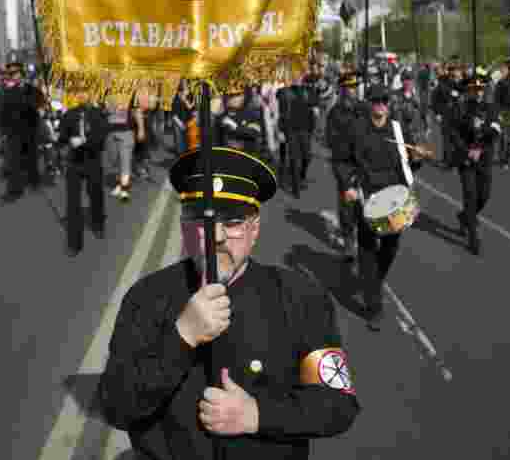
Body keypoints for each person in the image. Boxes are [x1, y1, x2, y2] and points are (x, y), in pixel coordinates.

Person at [97, 147, 361, 459]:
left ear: (255, 228)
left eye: (233, 221)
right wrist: (182, 337)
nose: (217, 236)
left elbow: (338, 405)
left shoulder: (302, 297)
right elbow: (116, 407)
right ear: (183, 225)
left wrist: (258, 415)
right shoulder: (147, 297)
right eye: (202, 221)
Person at [347, 84, 424, 329]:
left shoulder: (398, 130)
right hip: (367, 195)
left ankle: (372, 283)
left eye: (384, 101)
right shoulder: (357, 129)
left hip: (395, 197)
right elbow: (344, 160)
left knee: (391, 246)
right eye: (376, 101)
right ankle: (374, 307)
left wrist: (418, 157)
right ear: (369, 103)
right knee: (368, 248)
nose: (380, 105)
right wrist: (348, 184)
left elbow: (409, 164)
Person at [448, 74, 500, 255]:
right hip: (466, 158)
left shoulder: (491, 108)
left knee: (484, 195)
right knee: (470, 194)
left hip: (484, 157)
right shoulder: (460, 108)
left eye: (480, 89)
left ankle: (465, 216)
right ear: (468, 90)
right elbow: (452, 132)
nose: (478, 93)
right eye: (474, 89)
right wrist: (466, 149)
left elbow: (495, 131)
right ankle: (473, 235)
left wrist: (482, 132)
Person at [58, 90, 109, 256]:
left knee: (95, 194)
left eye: (84, 92)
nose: (80, 95)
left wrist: (86, 140)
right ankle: (74, 243)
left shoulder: (98, 114)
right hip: (74, 163)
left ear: (90, 95)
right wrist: (63, 139)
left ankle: (98, 223)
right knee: (73, 203)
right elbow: (62, 137)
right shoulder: (69, 114)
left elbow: (102, 137)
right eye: (78, 92)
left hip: (92, 161)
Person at [327, 73, 364, 255]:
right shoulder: (335, 112)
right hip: (345, 164)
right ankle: (348, 238)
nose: (353, 90)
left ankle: (360, 235)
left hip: (363, 164)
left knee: (363, 204)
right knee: (347, 205)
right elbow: (332, 141)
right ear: (342, 89)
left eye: (354, 87)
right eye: (349, 87)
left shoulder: (362, 108)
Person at [0, 62, 39, 202]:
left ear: (22, 75)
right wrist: (2, 129)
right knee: (12, 161)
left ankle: (34, 181)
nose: (15, 77)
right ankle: (13, 190)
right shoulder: (7, 90)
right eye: (12, 74)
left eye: (17, 74)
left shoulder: (31, 89)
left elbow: (35, 106)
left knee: (31, 158)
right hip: (13, 131)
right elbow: (3, 110)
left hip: (29, 129)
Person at [276, 77, 315, 197]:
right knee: (294, 158)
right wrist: (281, 131)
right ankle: (295, 187)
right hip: (290, 130)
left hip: (305, 129)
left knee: (307, 156)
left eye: (298, 75)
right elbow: (281, 113)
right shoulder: (283, 92)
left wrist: (313, 124)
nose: (296, 78)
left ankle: (301, 176)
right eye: (294, 75)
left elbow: (313, 108)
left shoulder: (308, 91)